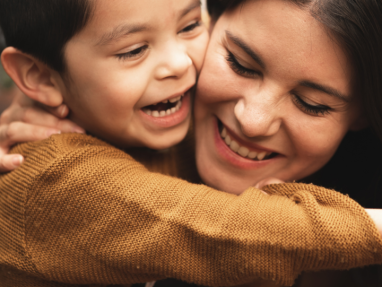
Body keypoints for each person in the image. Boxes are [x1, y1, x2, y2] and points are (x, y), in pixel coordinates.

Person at [0, 0, 382, 287]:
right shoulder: (50, 171)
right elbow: (218, 228)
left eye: (311, 104)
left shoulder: (166, 124)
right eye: (240, 63)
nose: (253, 121)